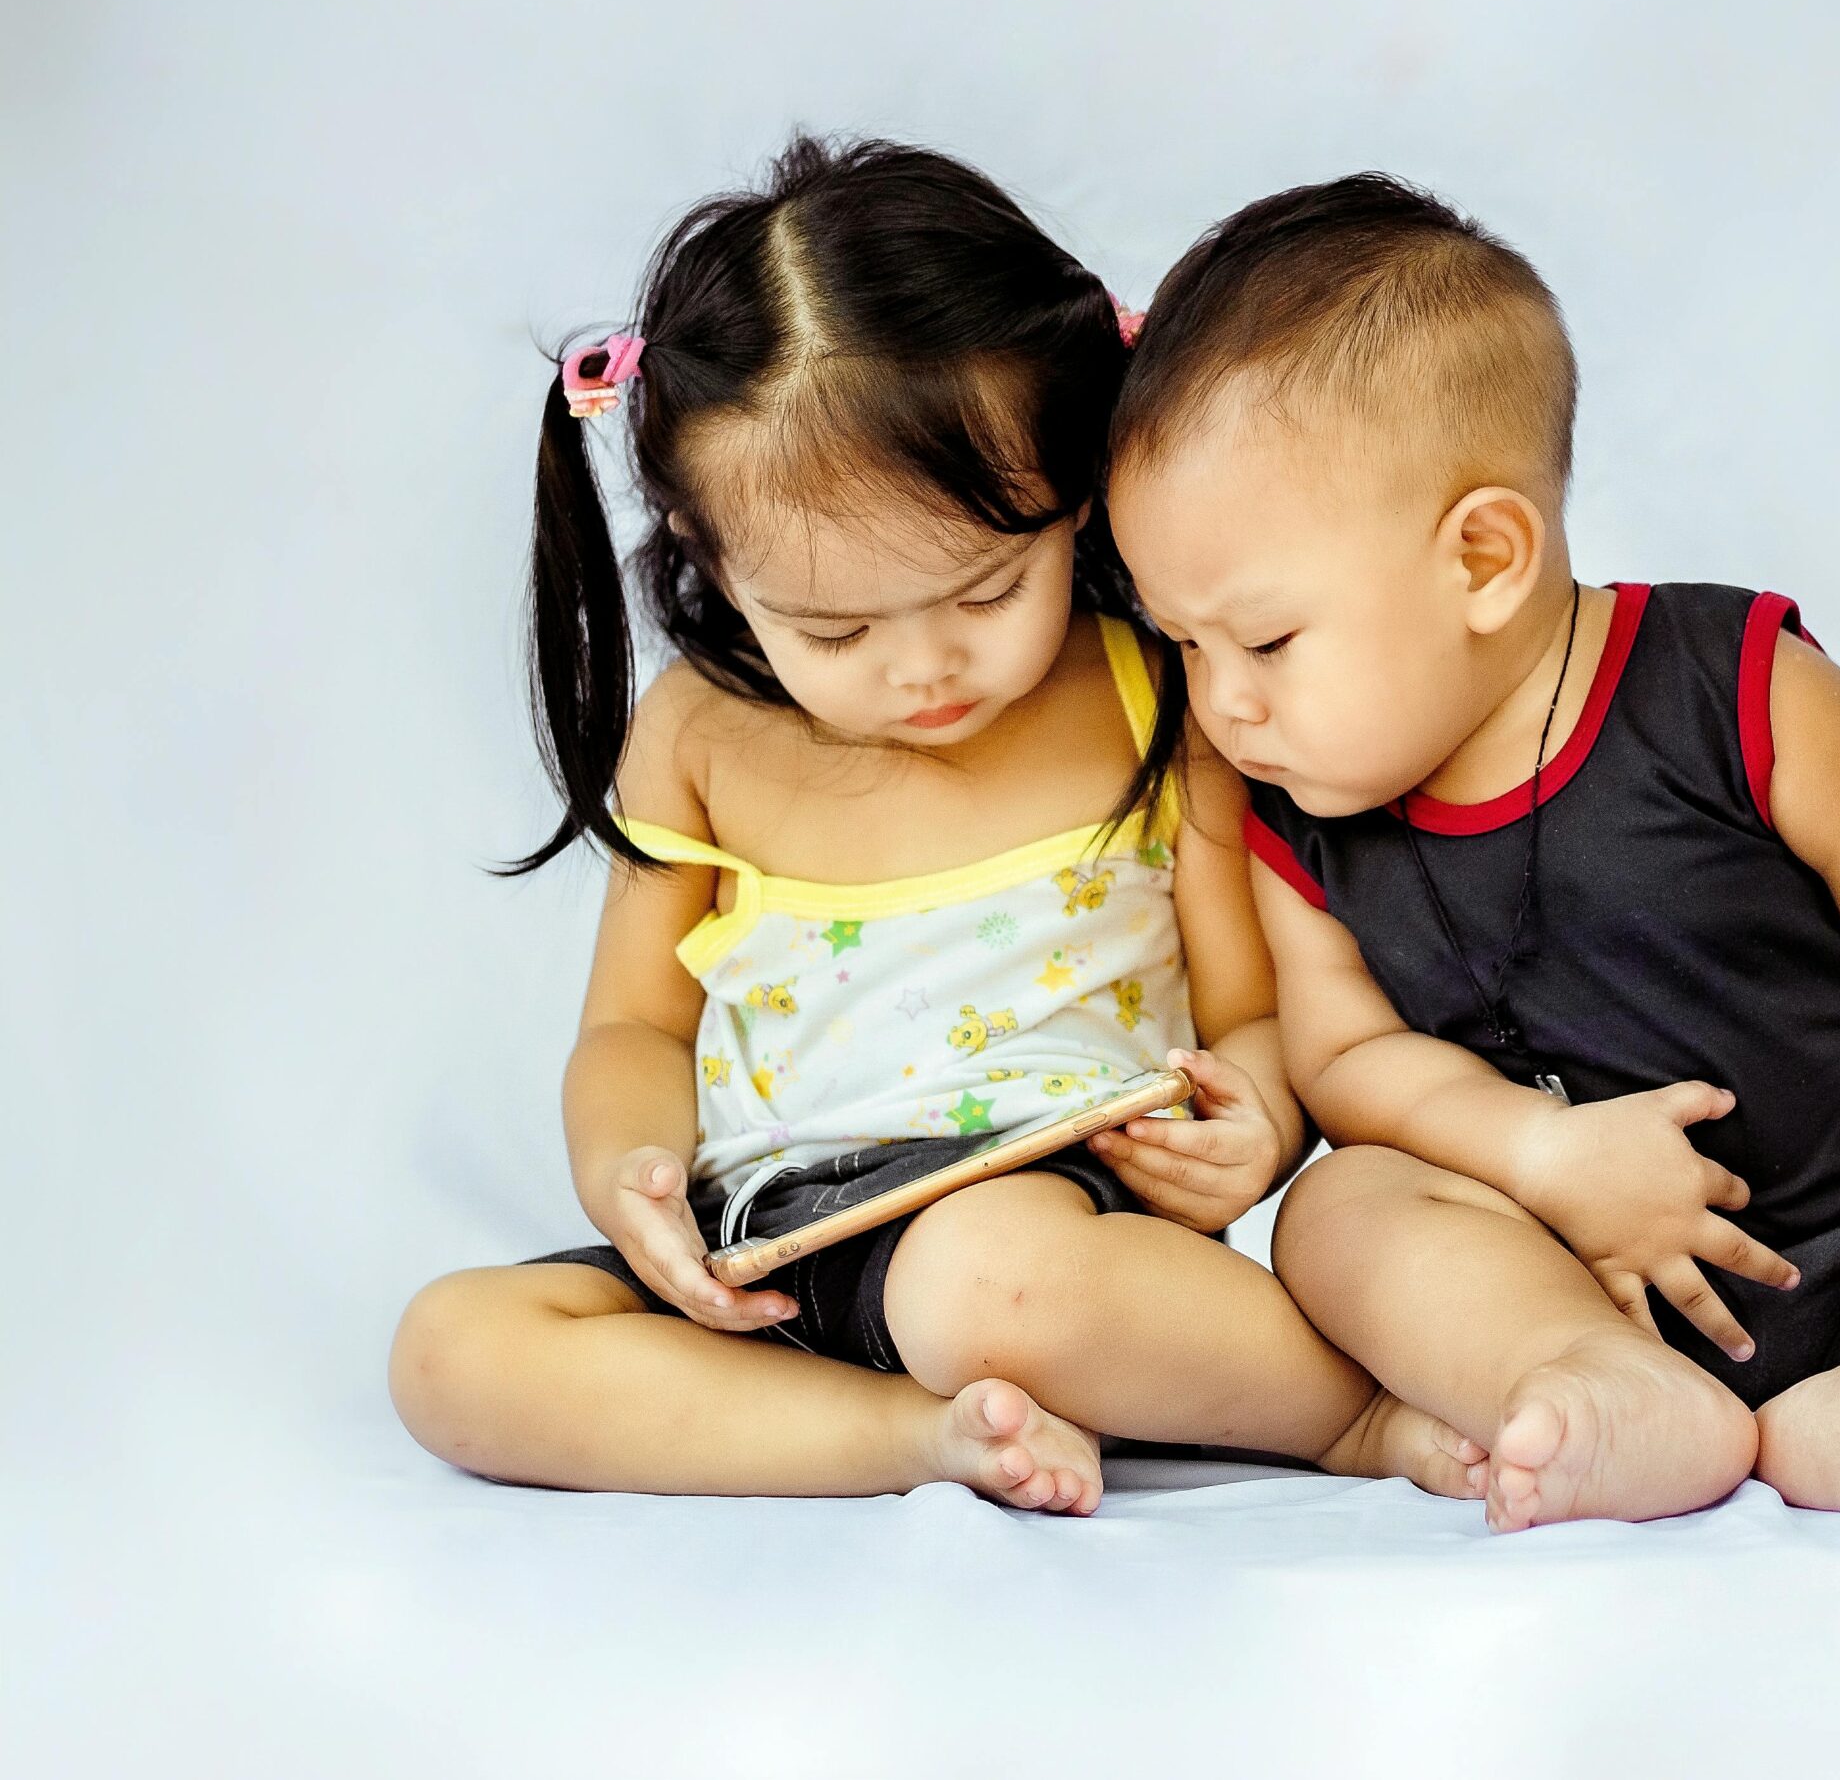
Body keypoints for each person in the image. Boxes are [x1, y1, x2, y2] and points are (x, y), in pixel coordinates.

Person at [1098, 173, 1840, 1530]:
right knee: (1335, 1212)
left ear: (1482, 561)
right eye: (1183, 646)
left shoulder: (1732, 687)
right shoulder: (1295, 819)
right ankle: (1590, 1387)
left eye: (1267, 642)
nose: (1220, 702)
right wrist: (1540, 1157)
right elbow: (1348, 1061)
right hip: (1586, 1275)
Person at [388, 139, 1483, 1509]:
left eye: (984, 591)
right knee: (451, 1350)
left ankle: (1345, 1419)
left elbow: (1254, 1014)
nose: (925, 671)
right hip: (771, 1244)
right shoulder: (697, 736)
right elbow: (632, 1032)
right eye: (833, 626)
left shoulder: (1152, 694)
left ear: (1072, 491)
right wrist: (630, 1175)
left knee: (988, 1284)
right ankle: (914, 1440)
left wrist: (1253, 1124)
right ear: (708, 552)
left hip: (1037, 1220)